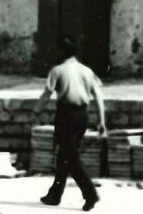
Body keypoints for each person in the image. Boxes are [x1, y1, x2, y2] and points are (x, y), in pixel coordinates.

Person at [36, 37, 105, 211]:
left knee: (70, 157)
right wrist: (101, 120)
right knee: (65, 155)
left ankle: (90, 193)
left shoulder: (57, 70)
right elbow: (98, 96)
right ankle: (54, 195)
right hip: (82, 116)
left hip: (65, 115)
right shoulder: (87, 71)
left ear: (61, 52)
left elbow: (47, 94)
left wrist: (36, 111)